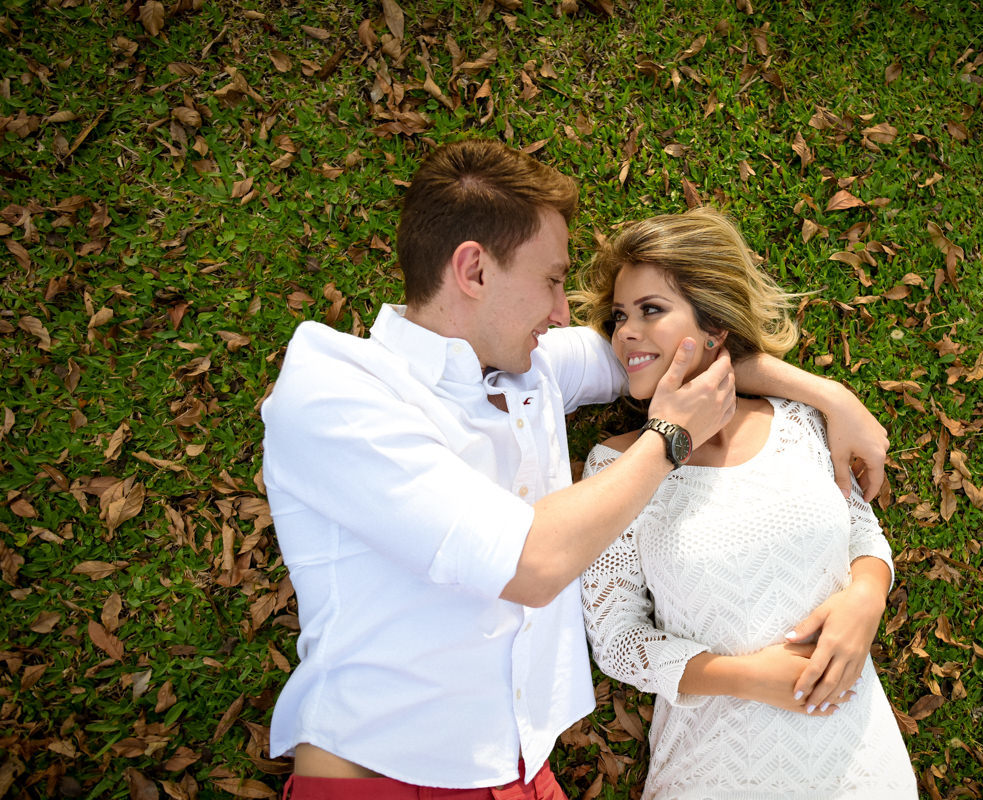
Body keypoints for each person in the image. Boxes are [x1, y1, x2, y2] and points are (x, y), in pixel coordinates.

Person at [260, 140, 891, 799]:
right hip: (382, 783)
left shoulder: (530, 366)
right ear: (474, 270)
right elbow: (528, 564)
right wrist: (668, 438)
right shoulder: (335, 391)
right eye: (552, 281)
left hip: (523, 777)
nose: (564, 312)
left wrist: (829, 397)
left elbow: (672, 352)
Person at [575, 208, 917, 798]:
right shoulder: (616, 467)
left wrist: (867, 597)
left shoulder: (802, 424)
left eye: (650, 309)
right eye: (619, 316)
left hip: (862, 766)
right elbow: (618, 641)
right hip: (714, 770)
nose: (625, 331)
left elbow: (862, 531)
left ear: (714, 326)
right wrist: (747, 678)